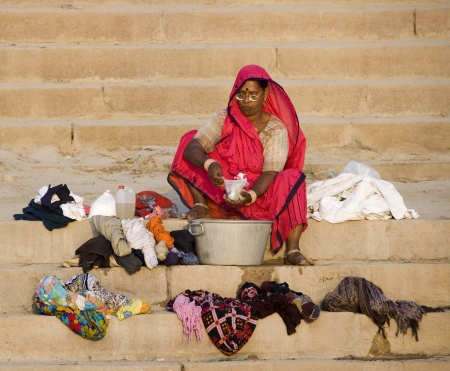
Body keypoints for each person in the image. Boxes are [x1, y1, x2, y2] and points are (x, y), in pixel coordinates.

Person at [168, 65, 314, 266]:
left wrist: (249, 196)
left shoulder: (275, 128)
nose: (246, 102)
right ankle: (201, 204)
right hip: (223, 185)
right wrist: (210, 164)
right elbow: (195, 145)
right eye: (241, 95)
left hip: (258, 192)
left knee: (294, 178)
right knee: (188, 140)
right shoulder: (223, 118)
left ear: (264, 95)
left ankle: (293, 249)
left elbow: (271, 172)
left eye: (253, 95)